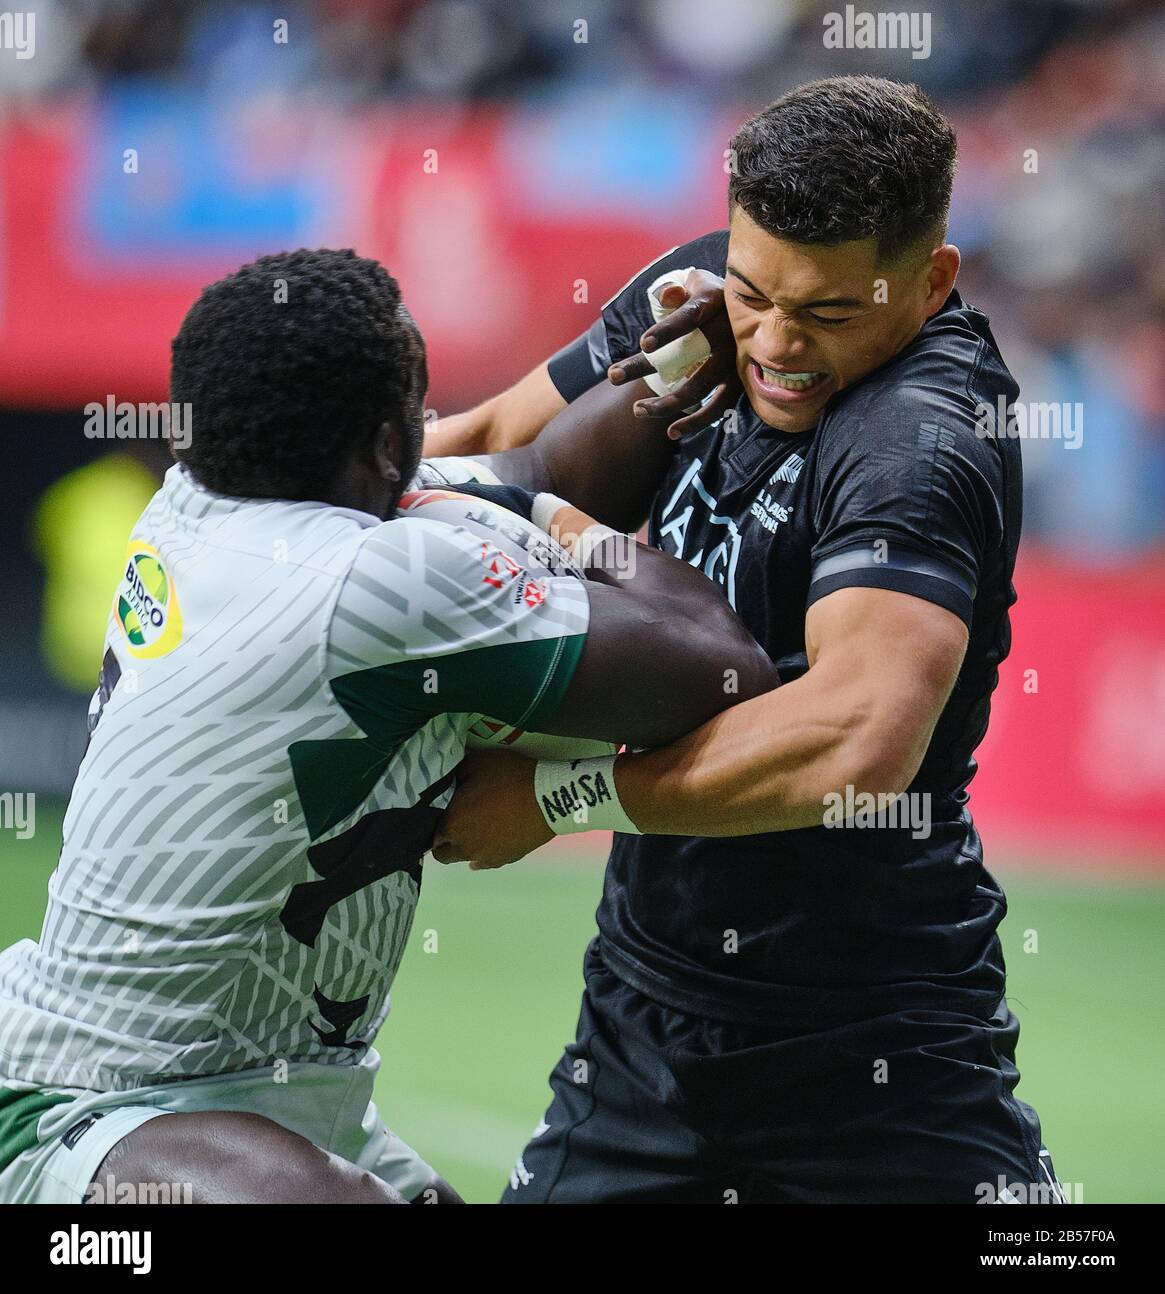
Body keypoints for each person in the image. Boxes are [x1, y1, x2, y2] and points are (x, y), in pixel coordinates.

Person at [0, 248, 776, 1204]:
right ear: (377, 446)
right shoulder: (370, 581)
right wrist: (551, 519)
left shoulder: (206, 502)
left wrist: (677, 367)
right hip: (84, 1113)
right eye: (415, 412)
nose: (429, 430)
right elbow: (717, 659)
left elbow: (532, 465)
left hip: (276, 1100)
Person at [432, 76, 1063, 1204]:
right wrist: (277, 501)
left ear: (930, 280)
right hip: (641, 1026)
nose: (772, 343)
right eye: (752, 292)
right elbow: (487, 445)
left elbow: (852, 739)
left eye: (824, 315)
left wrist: (550, 800)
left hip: (880, 1066)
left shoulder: (918, 439)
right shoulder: (708, 293)